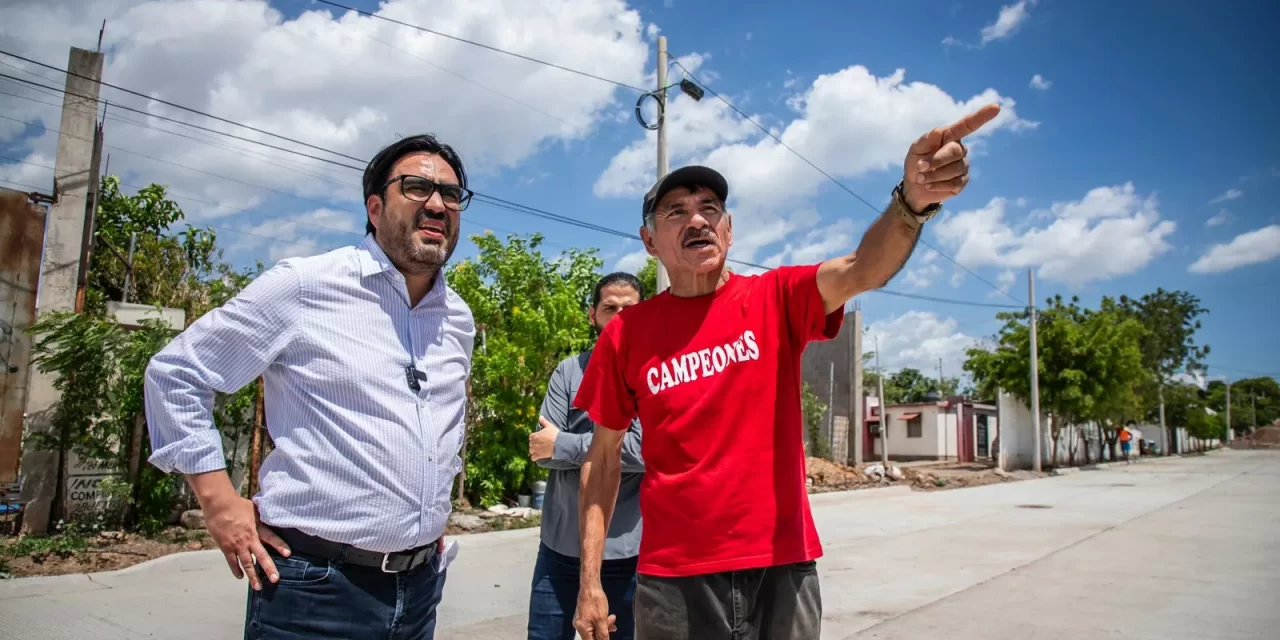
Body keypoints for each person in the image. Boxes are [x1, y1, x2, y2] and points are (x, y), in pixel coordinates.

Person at [572, 104, 1002, 640]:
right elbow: (602, 459)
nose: (697, 219)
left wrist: (913, 202)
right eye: (676, 212)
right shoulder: (627, 333)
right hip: (674, 579)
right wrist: (590, 581)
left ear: (728, 231)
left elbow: (862, 267)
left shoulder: (776, 298)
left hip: (782, 566)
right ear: (649, 240)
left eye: (710, 208)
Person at [144, 133, 476, 639]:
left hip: (420, 587)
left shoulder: (457, 317)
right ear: (374, 206)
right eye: (416, 187)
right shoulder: (305, 286)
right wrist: (218, 502)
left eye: (451, 195)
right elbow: (177, 374)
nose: (437, 204)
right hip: (316, 588)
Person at [526, 272, 646, 640]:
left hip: (626, 555)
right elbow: (539, 450)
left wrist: (564, 443)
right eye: (610, 308)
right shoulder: (568, 372)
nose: (620, 315)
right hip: (559, 550)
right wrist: (602, 448)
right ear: (593, 315)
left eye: (630, 308)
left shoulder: (650, 375)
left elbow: (645, 451)